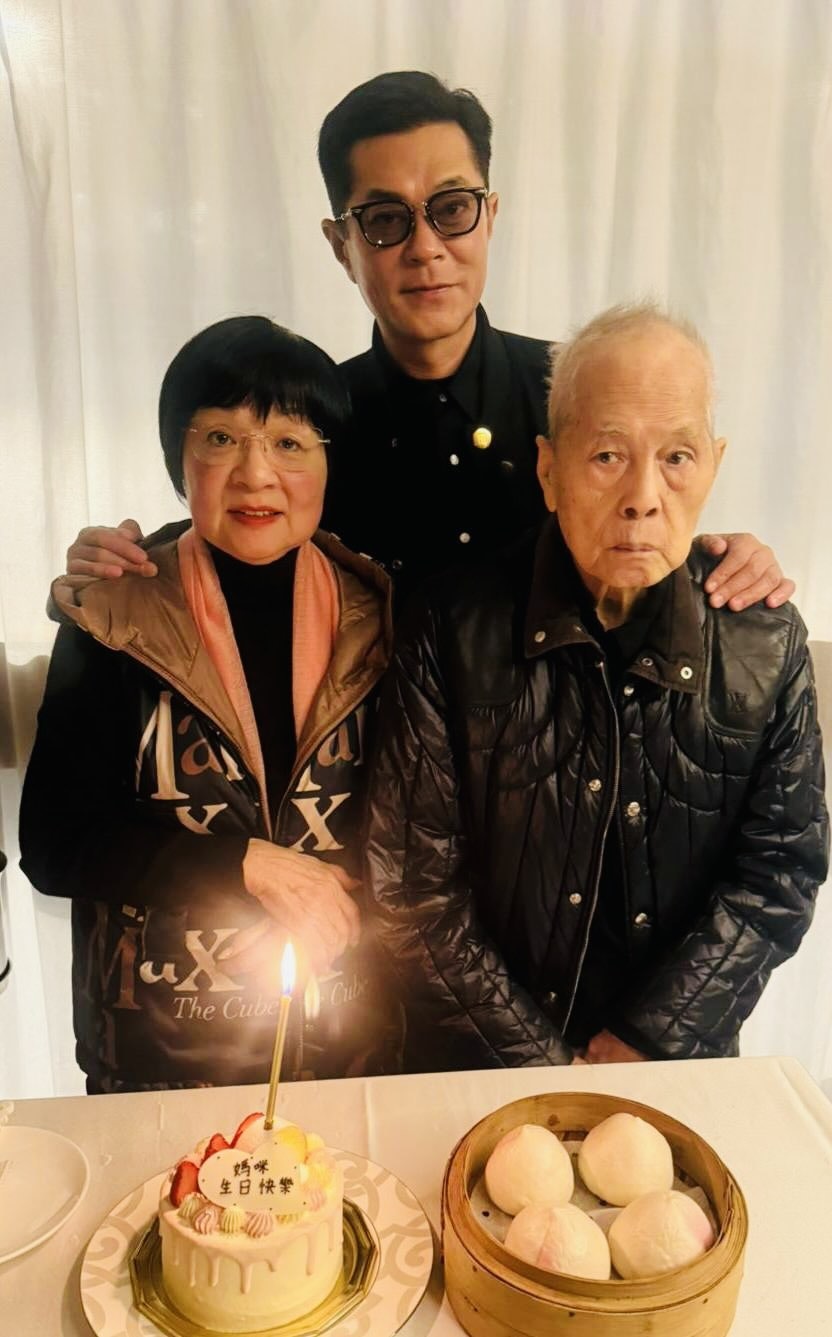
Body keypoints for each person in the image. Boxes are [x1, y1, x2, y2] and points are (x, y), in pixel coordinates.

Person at [64, 72, 792, 612]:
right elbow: (234, 523)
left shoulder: (581, 392)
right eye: (385, 219)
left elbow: (651, 521)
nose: (425, 247)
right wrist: (117, 568)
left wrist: (728, 562)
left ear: (490, 215)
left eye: (451, 208)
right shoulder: (309, 421)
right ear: (341, 245)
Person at [364, 303, 829, 1070]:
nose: (643, 495)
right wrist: (548, 1067)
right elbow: (414, 891)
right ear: (549, 471)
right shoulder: (450, 627)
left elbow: (780, 871)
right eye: (608, 455)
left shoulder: (766, 641)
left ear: (714, 466)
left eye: (677, 456)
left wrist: (649, 1039)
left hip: (675, 1064)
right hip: (484, 1069)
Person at [20, 316, 403, 1093]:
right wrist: (243, 865)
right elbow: (55, 844)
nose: (256, 474)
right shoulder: (113, 616)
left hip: (348, 1044)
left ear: (329, 463)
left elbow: (427, 831)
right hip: (160, 1057)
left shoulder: (385, 617)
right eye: (221, 438)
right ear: (179, 458)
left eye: (290, 442)